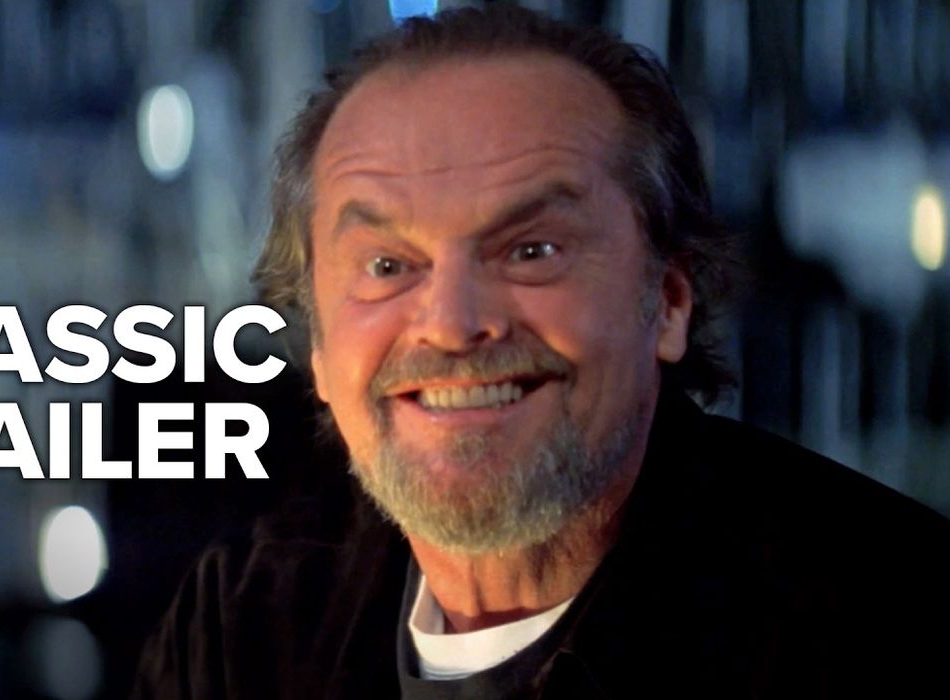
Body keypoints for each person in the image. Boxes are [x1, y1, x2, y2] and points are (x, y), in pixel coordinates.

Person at [134, 6, 950, 698]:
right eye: (386, 266)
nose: (451, 325)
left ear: (669, 302)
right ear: (317, 341)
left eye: (532, 251)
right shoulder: (243, 626)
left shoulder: (885, 621)